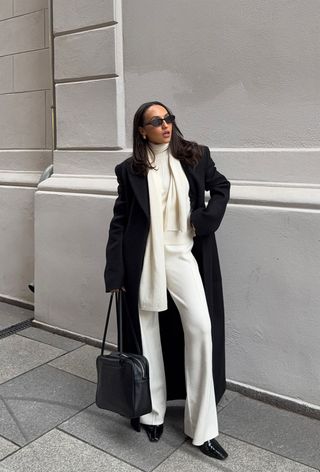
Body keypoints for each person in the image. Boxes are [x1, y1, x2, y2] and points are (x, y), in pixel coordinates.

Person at [104, 101, 230, 460]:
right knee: (146, 334)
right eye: (156, 121)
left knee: (201, 329)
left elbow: (221, 187)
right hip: (142, 258)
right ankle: (151, 413)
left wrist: (207, 219)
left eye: (168, 118)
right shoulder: (129, 169)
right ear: (141, 129)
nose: (165, 125)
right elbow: (121, 220)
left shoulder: (195, 156)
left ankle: (203, 428)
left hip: (181, 254)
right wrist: (114, 270)